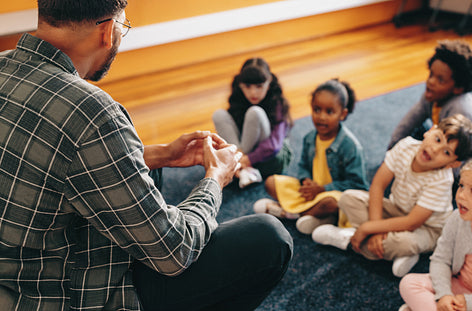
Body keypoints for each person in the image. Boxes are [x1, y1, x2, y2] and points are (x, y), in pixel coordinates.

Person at [0, 1, 293, 310]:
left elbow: (53, 162)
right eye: (123, 28)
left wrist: (160, 155)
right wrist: (215, 179)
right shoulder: (93, 114)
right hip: (71, 295)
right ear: (108, 31)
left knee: (149, 172)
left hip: (16, 280)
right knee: (270, 238)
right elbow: (174, 252)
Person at [312, 114, 472, 277]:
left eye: (446, 152)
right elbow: (378, 185)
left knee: (402, 242)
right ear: (431, 130)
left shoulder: (441, 181)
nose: (435, 150)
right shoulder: (406, 146)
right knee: (348, 198)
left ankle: (346, 240)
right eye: (437, 139)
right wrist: (375, 227)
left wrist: (367, 228)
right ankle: (389, 250)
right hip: (396, 209)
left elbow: (412, 222)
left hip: (427, 228)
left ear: (452, 164)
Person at [253, 79, 369, 235]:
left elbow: (357, 185)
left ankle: (289, 213)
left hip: (331, 194)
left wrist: (323, 189)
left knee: (332, 203)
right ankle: (313, 217)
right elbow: (303, 166)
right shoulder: (309, 138)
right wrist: (305, 181)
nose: (321, 117)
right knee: (271, 182)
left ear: (343, 114)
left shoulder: (350, 146)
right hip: (311, 193)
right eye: (316, 109)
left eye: (329, 112)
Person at [399, 154, 472, 311]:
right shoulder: (457, 219)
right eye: (461, 186)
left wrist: (470, 302)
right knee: (409, 283)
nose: (461, 195)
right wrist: (444, 295)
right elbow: (441, 260)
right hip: (457, 287)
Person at [387, 40, 472, 156]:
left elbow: (453, 154)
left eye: (440, 80)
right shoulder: (430, 96)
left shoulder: (459, 110)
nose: (430, 82)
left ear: (458, 88)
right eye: (431, 74)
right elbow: (407, 124)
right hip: (447, 141)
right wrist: (391, 153)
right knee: (416, 134)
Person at [212, 57, 293, 188]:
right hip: (247, 152)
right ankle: (241, 168)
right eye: (247, 87)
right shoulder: (239, 99)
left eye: (259, 86)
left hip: (270, 157)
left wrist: (247, 159)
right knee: (219, 115)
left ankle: (238, 165)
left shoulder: (277, 103)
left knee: (255, 112)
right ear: (240, 85)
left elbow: (274, 146)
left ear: (269, 81)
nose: (253, 92)